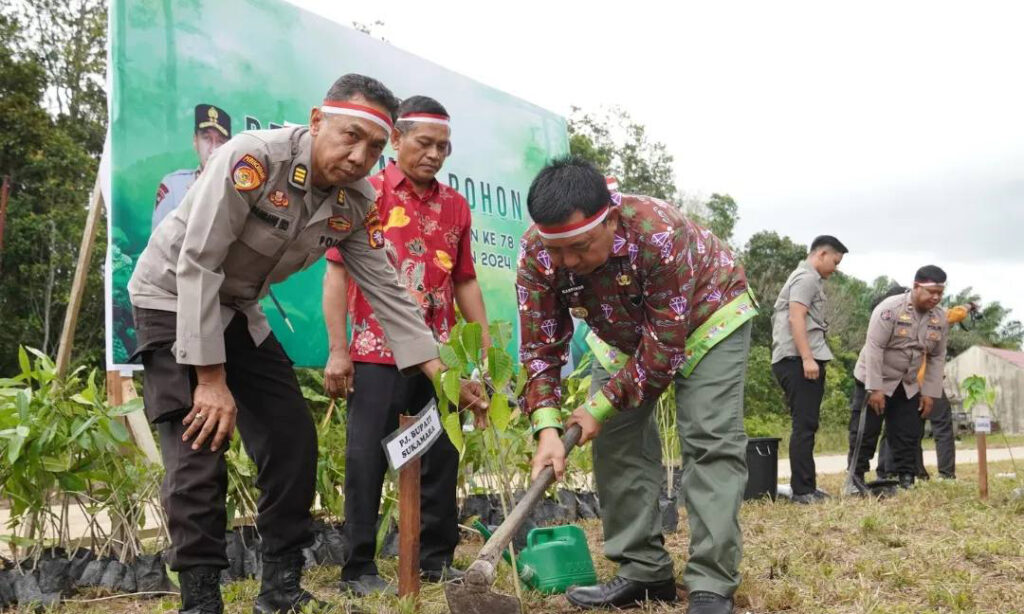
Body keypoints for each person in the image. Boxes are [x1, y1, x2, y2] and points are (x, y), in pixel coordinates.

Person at [128, 74, 485, 614]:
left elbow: (386, 288)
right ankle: (200, 600)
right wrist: (210, 379)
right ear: (317, 121)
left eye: (374, 146)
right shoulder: (252, 160)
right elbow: (197, 262)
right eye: (349, 135)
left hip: (239, 309)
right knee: (200, 443)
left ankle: (281, 589)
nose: (360, 155)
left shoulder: (356, 199)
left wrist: (443, 374)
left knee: (292, 438)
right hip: (172, 298)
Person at [518, 156, 757, 614]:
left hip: (707, 317)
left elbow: (664, 350)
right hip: (620, 332)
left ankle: (710, 583)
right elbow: (541, 347)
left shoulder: (658, 232)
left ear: (609, 218)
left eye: (581, 247)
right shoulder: (536, 253)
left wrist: (597, 407)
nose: (568, 262)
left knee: (708, 438)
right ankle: (644, 571)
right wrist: (547, 428)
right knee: (616, 443)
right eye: (558, 250)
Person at [321, 95, 489, 595]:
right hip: (376, 351)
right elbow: (336, 272)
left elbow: (465, 282)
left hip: (444, 357)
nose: (435, 154)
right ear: (396, 140)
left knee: (442, 457)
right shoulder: (363, 191)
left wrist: (478, 353)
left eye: (444, 146)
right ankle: (359, 568)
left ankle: (435, 560)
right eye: (425, 143)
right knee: (366, 459)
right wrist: (338, 349)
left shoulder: (456, 205)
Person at [845, 266, 950, 492]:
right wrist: (875, 389)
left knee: (908, 432)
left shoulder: (939, 317)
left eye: (940, 293)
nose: (936, 297)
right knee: (865, 431)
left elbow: (937, 356)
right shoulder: (889, 310)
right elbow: (874, 348)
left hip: (907, 382)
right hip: (875, 378)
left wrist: (930, 393)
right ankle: (856, 479)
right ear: (916, 286)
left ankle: (906, 478)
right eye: (931, 291)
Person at [770, 235, 848, 504]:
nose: (835, 268)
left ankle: (807, 486)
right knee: (803, 425)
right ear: (822, 254)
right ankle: (802, 491)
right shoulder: (806, 278)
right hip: (796, 360)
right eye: (835, 261)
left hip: (796, 359)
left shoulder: (808, 278)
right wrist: (807, 358)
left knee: (807, 423)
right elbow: (796, 316)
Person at [877, 301, 981, 480]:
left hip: (903, 382)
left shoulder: (891, 318)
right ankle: (946, 474)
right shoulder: (935, 317)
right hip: (926, 382)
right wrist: (969, 306)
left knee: (900, 428)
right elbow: (955, 314)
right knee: (942, 428)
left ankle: (892, 471)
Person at [152, 104, 232, 230]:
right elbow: (158, 245)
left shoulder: (238, 193)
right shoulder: (173, 186)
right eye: (206, 138)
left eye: (220, 141)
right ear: (195, 141)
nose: (213, 149)